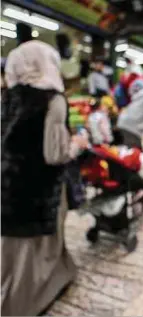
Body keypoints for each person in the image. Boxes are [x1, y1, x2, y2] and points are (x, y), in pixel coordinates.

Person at [2, 40, 88, 315]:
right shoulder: (53, 100)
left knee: (12, 248)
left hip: (7, 184)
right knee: (39, 245)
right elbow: (54, 154)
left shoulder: (8, 96)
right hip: (39, 186)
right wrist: (78, 145)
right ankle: (20, 304)